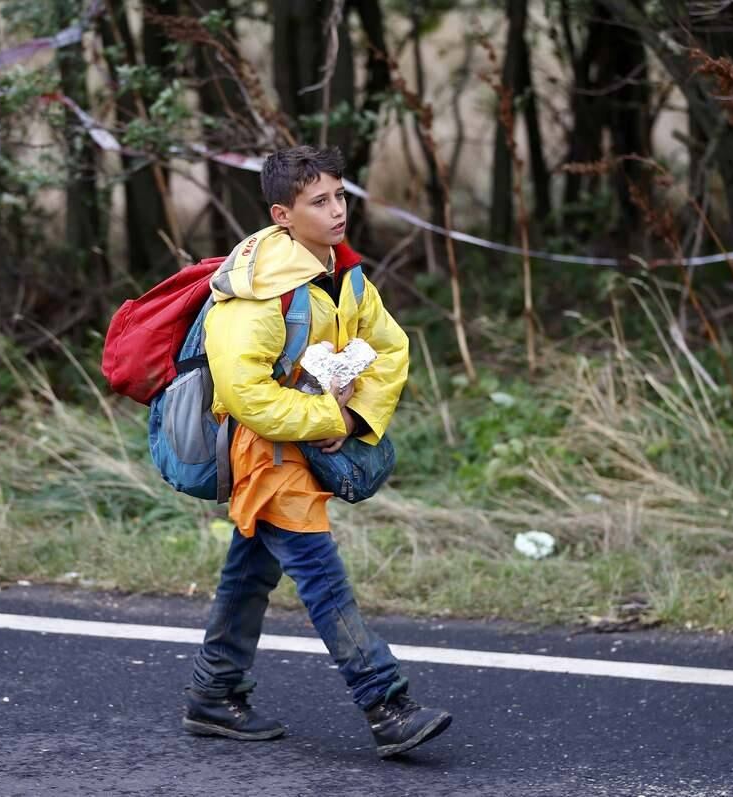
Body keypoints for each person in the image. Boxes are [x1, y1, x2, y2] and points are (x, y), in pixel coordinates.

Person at [182, 145, 452, 758]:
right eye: (319, 202)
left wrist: (355, 417)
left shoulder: (343, 271)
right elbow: (243, 392)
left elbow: (390, 348)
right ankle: (386, 705)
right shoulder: (256, 291)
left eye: (340, 196)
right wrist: (330, 415)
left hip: (303, 441)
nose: (338, 211)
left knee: (250, 572)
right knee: (321, 578)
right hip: (265, 454)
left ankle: (212, 695)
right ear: (283, 214)